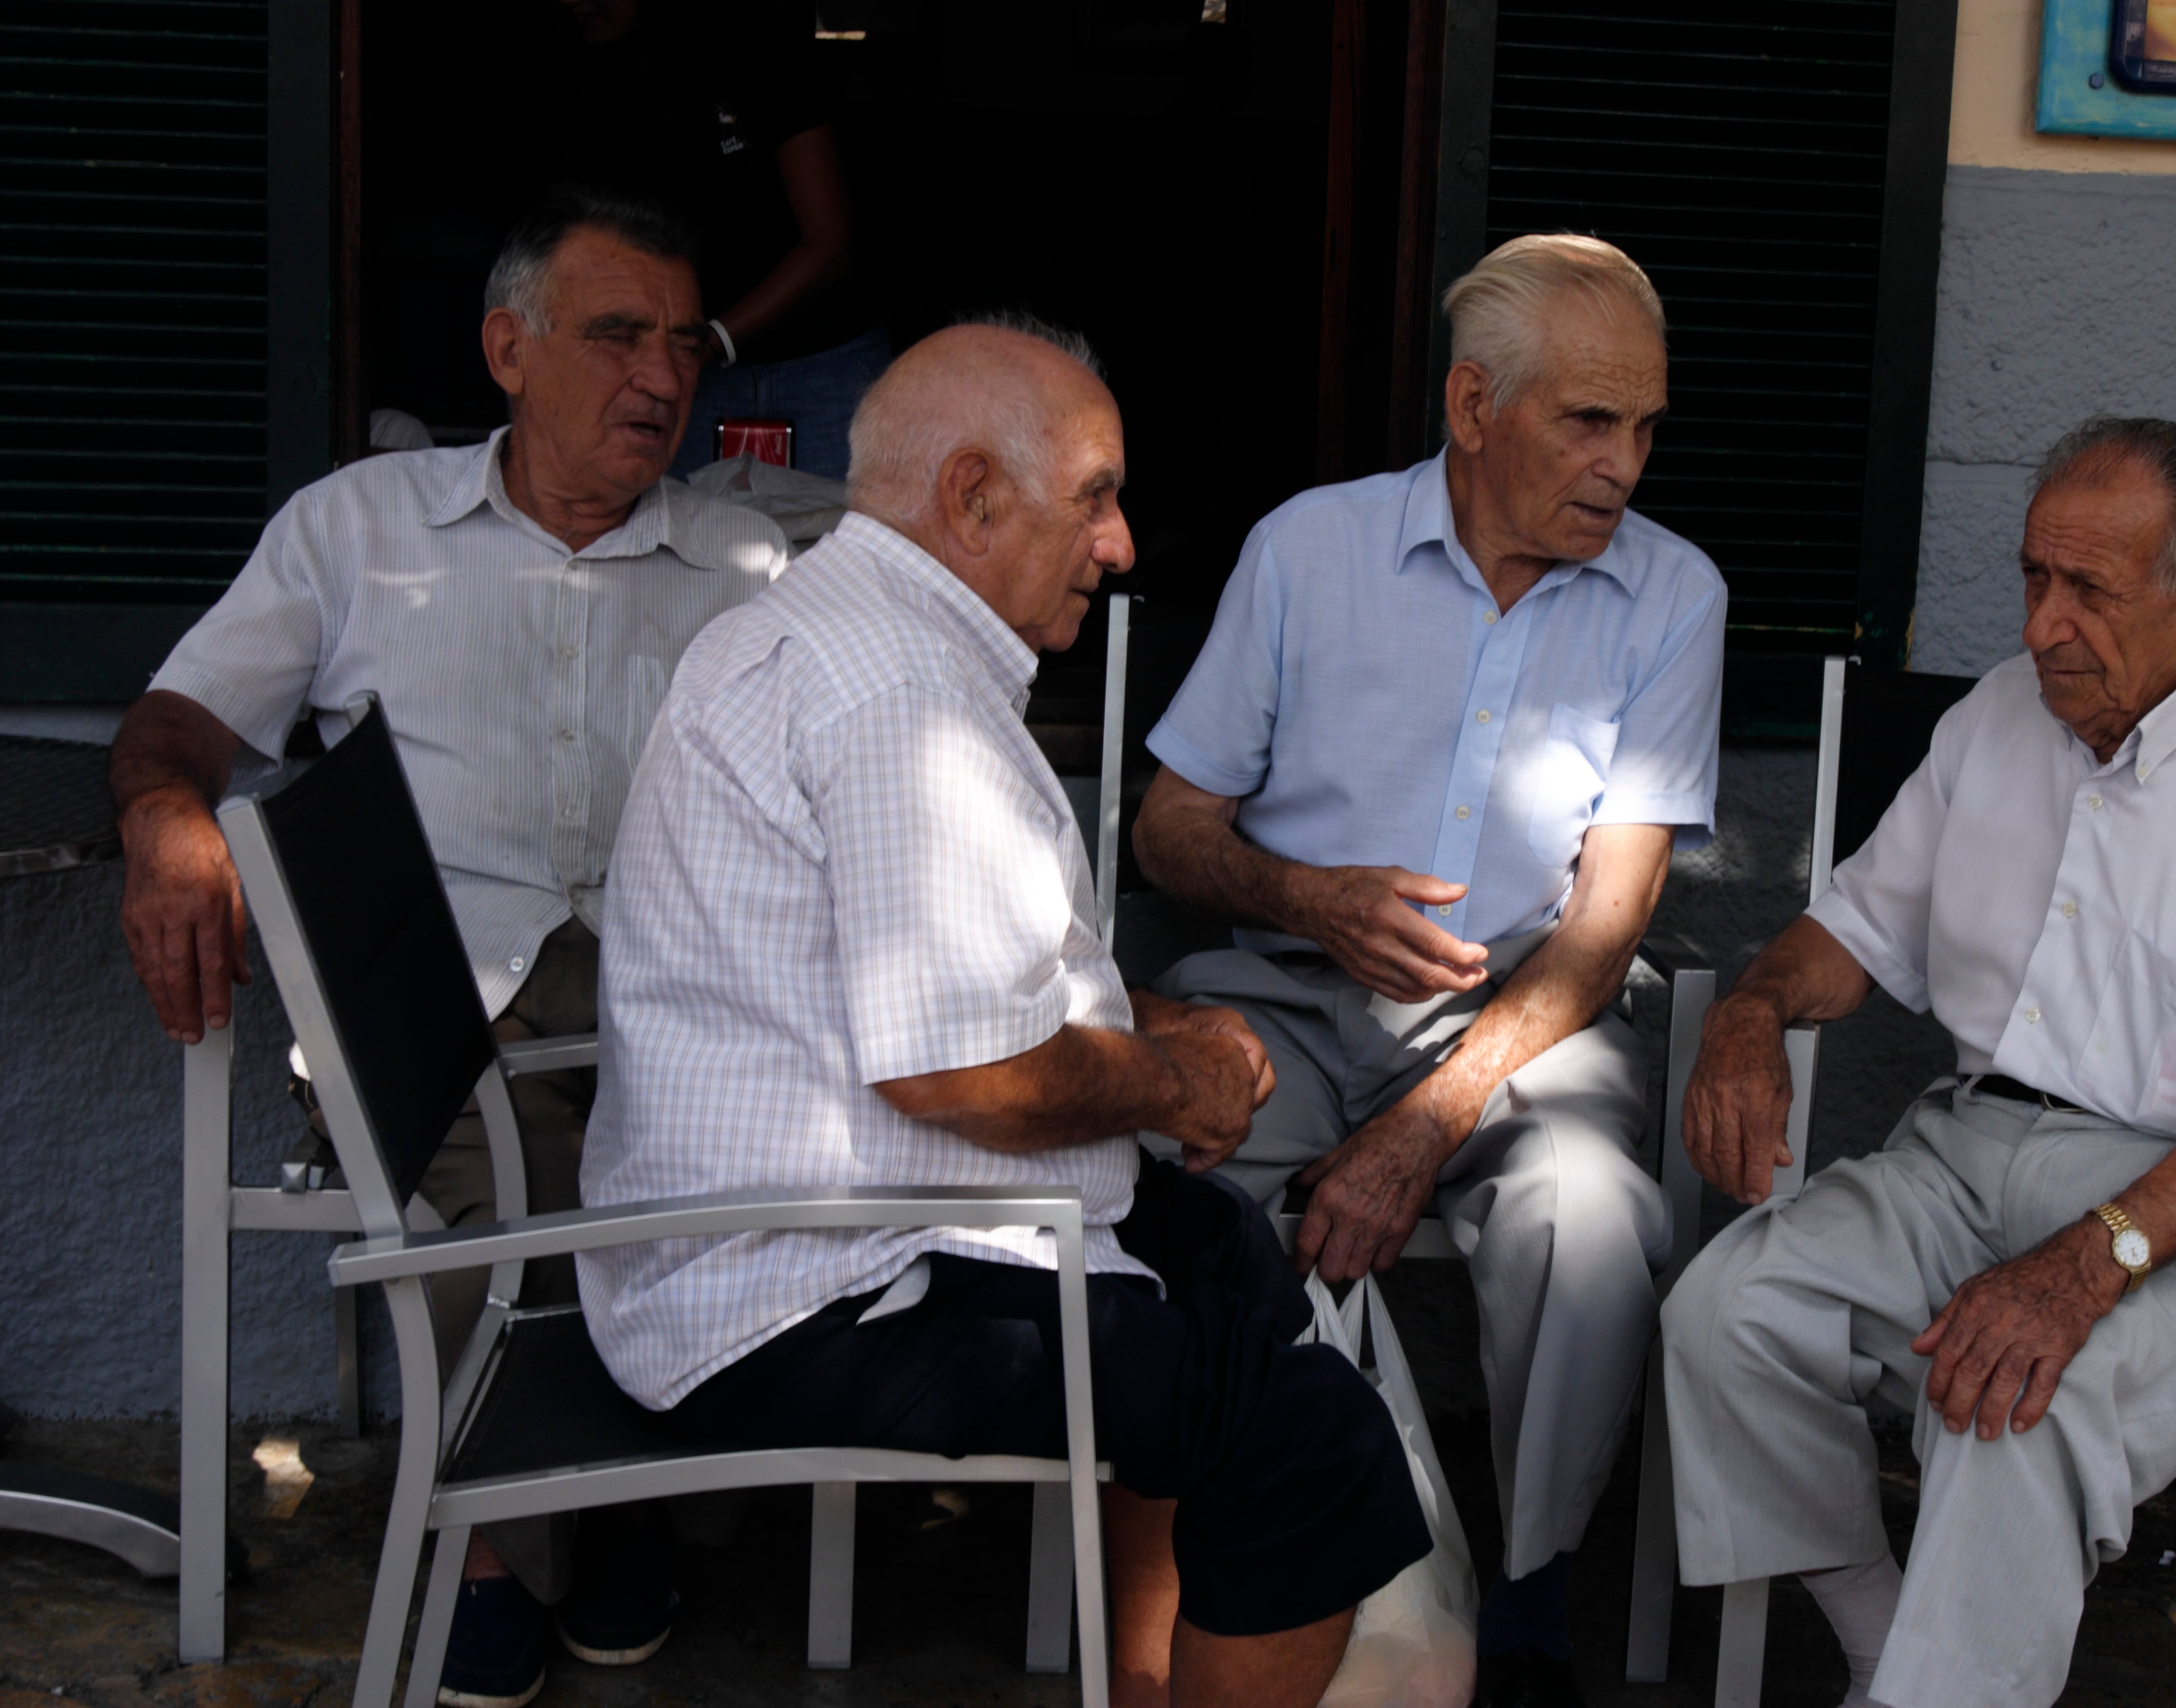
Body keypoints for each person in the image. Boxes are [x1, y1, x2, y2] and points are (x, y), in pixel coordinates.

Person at [578, 315, 1432, 1708]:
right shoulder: (895, 696)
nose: (1122, 543)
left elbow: (947, 976)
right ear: (973, 496)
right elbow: (962, 1073)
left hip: (794, 1226)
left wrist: (1154, 1030)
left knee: (1220, 1252)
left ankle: (1147, 1677)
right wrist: (1175, 1081)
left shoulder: (844, 631)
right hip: (799, 1291)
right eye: (1094, 496)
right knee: (1308, 1441)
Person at [108, 188, 790, 1708]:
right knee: (494, 1154)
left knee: (702, 1130)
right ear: (507, 346)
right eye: (617, 335)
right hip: (438, 993)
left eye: (684, 344)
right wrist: (168, 821)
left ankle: (545, 1514)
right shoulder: (358, 531)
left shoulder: (749, 566)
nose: (663, 377)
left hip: (676, 994)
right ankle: (539, 1534)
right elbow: (180, 718)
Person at [1664, 418, 2176, 1708]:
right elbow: (1851, 931)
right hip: (1978, 1151)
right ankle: (1882, 1639)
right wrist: (1751, 1010)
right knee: (1728, 1312)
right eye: (2031, 578)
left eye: (2088, 592)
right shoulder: (2001, 718)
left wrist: (2079, 1269)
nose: (2040, 629)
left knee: (2016, 1400)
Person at [1128, 234, 1727, 1708]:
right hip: (1281, 986)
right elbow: (1170, 832)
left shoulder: (1673, 595)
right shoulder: (1310, 548)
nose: (1626, 464)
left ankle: (1520, 1600)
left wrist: (1423, 1120)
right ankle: (1204, 1580)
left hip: (1527, 1013)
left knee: (1592, 1218)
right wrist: (1304, 893)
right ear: (1473, 405)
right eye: (1591, 420)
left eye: (1646, 426)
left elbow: (1605, 930)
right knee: (1161, 1185)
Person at [541, 0, 887, 481]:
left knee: (835, 549)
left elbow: (829, 243)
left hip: (821, 367)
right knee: (678, 548)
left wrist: (709, 340)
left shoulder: (762, 48)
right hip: (677, 373)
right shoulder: (582, 77)